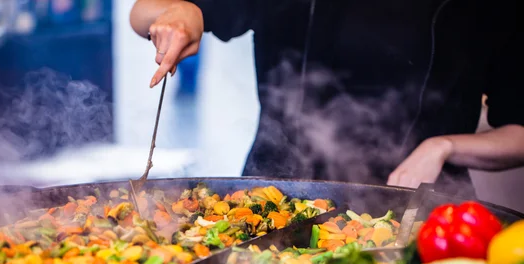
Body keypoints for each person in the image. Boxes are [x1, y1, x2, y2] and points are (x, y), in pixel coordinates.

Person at [130, 0, 524, 193]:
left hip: (423, 217)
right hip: (276, 198)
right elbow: (144, 11)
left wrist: (445, 146)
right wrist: (181, 15)